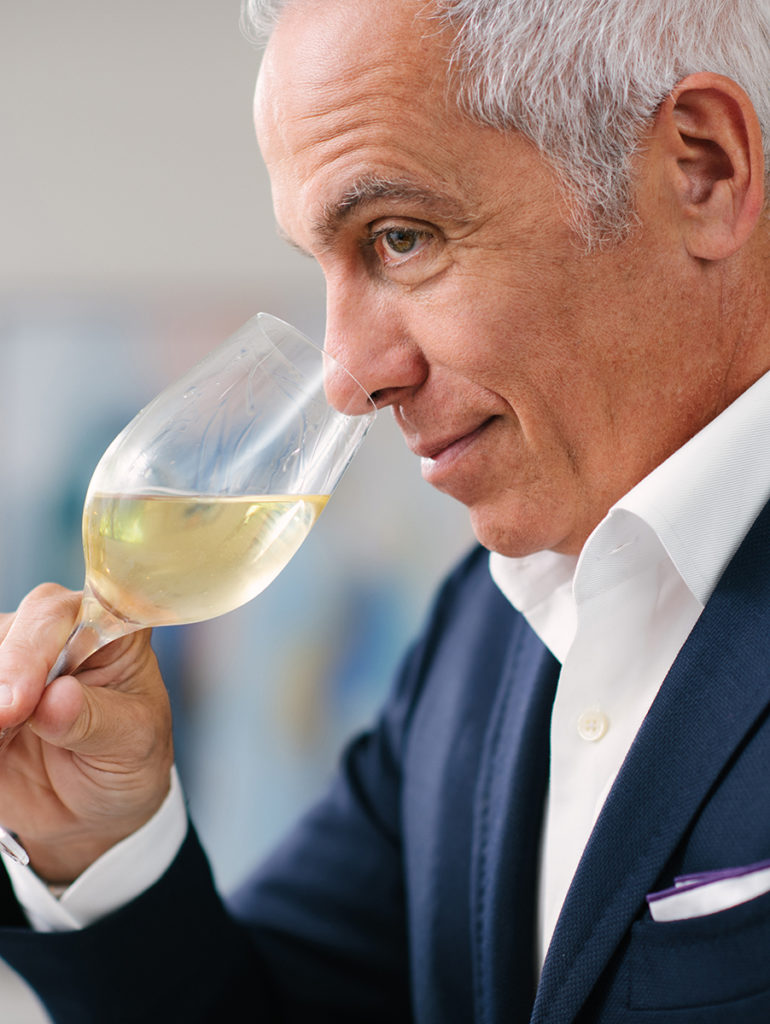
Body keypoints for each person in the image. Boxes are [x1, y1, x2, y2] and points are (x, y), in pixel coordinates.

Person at [2, 0, 770, 1019]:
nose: (347, 377)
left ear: (700, 169)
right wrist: (99, 842)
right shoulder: (478, 630)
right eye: (321, 266)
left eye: (399, 238)